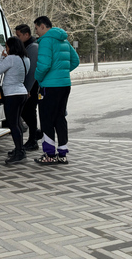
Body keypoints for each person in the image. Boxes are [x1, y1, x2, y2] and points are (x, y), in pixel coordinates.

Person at [33, 15, 79, 165]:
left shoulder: (46, 40)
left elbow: (44, 65)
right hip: (65, 85)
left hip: (49, 86)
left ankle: (49, 154)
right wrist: (61, 72)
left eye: (37, 29)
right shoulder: (63, 40)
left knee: (46, 119)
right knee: (60, 117)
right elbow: (75, 60)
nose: (36, 33)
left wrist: (39, 78)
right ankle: (62, 153)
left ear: (42, 26)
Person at [0, 36, 30, 164]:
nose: (6, 49)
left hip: (12, 95)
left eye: (7, 46)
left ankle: (19, 153)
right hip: (22, 93)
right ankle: (20, 149)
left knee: (13, 124)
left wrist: (2, 57)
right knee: (18, 123)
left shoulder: (10, 58)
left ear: (12, 47)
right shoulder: (26, 59)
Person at [15, 24, 43, 151]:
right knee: (27, 111)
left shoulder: (33, 47)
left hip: (32, 87)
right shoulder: (27, 46)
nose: (17, 38)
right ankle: (35, 134)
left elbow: (31, 71)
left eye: (19, 35)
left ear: (27, 35)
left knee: (29, 111)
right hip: (28, 86)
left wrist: (27, 89)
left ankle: (33, 140)